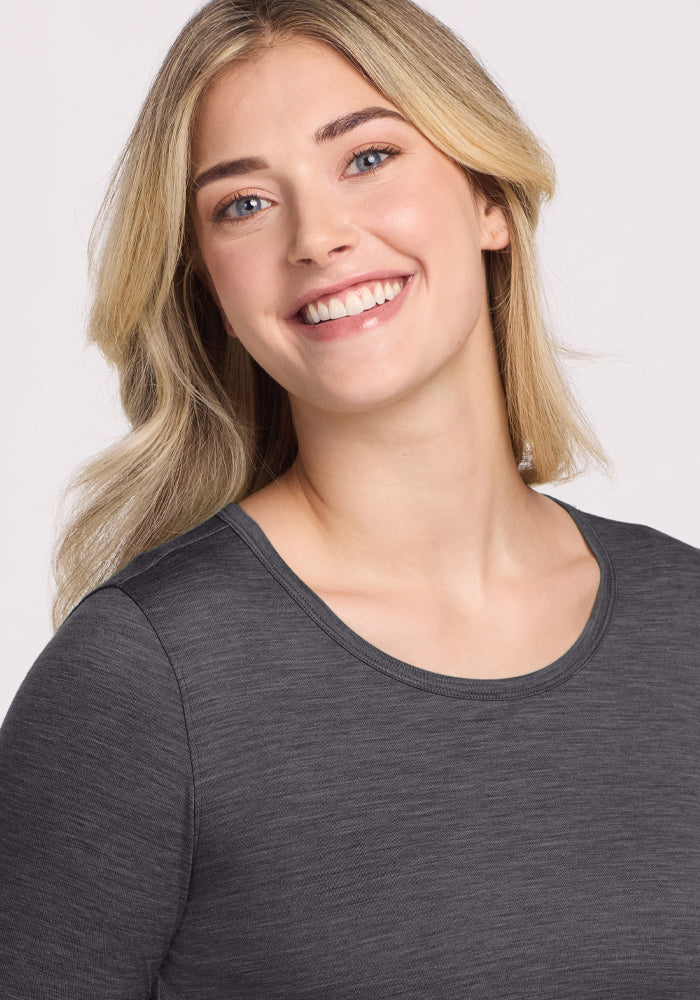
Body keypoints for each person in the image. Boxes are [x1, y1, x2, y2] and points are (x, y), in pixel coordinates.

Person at [1, 0, 698, 996]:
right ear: (210, 286)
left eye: (367, 157)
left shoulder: (687, 624)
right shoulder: (145, 681)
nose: (318, 236)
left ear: (487, 198)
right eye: (243, 203)